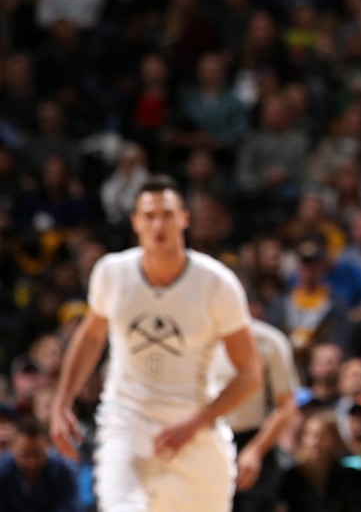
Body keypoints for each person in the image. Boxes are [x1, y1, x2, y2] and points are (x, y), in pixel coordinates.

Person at [50, 175, 263, 512]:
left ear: (184, 218)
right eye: (149, 216)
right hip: (126, 420)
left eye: (167, 215)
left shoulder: (217, 283)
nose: (158, 225)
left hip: (194, 426)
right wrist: (62, 402)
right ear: (135, 222)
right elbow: (91, 336)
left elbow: (250, 375)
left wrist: (193, 425)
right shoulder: (111, 273)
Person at [209, 296, 300, 512]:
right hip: (206, 440)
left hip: (252, 439)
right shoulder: (195, 338)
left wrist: (256, 451)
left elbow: (286, 405)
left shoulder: (269, 340)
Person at [0, 416, 78, 512]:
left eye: (38, 454)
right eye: (24, 455)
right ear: (12, 448)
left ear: (48, 448)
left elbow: (69, 506)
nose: (31, 462)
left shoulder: (62, 472)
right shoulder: (2, 471)